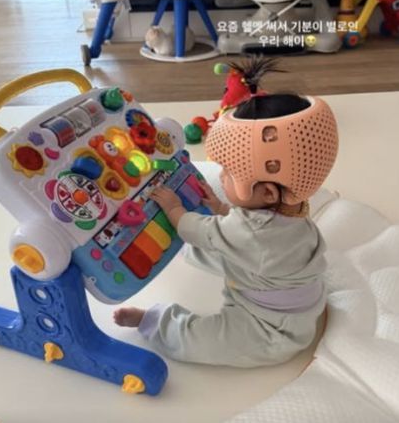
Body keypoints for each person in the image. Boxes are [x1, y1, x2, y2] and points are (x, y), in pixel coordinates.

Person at [114, 57, 339, 367]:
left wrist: (174, 208)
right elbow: (250, 229)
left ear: (268, 192)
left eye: (230, 174)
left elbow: (196, 229)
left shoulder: (253, 232)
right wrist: (220, 208)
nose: (221, 178)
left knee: (200, 341)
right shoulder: (294, 205)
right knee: (219, 246)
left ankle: (155, 322)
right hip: (275, 284)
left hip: (271, 328)